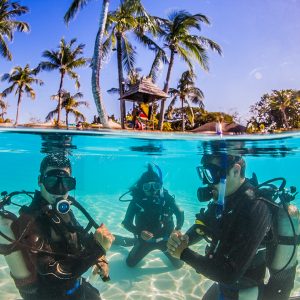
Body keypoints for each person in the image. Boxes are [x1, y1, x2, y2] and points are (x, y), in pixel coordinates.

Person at [167, 153, 275, 299]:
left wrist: (184, 254)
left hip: (244, 290)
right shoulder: (226, 198)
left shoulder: (256, 207)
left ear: (236, 171)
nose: (207, 182)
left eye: (211, 174)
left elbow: (229, 274)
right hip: (224, 282)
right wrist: (185, 239)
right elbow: (204, 225)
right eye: (204, 174)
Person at [10, 155, 114, 300]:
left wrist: (101, 258)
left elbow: (81, 235)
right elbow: (52, 276)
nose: (59, 190)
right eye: (52, 181)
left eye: (66, 183)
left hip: (77, 286)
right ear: (40, 181)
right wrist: (97, 249)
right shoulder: (29, 221)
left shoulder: (62, 209)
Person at [121, 164, 184, 268]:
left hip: (166, 240)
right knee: (130, 263)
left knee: (179, 265)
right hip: (145, 241)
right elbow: (126, 223)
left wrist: (177, 229)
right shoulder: (136, 201)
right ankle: (134, 241)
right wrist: (139, 232)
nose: (152, 190)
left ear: (160, 186)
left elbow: (180, 212)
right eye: (147, 187)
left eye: (156, 186)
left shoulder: (166, 198)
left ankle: (135, 241)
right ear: (141, 187)